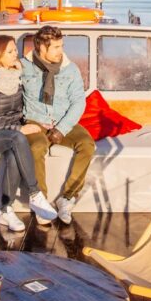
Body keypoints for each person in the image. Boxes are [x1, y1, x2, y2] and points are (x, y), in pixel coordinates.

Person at [0, 34, 56, 230]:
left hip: (10, 133)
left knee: (13, 153)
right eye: (10, 52)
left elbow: (25, 105)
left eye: (14, 50)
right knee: (18, 138)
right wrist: (19, 128)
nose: (15, 54)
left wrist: (38, 121)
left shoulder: (15, 75)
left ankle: (5, 211)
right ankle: (35, 194)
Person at [22, 25, 95, 224]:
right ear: (40, 48)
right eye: (55, 47)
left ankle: (67, 197)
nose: (60, 51)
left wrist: (61, 129)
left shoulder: (70, 69)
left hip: (62, 120)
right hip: (35, 120)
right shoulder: (23, 66)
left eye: (61, 45)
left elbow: (79, 101)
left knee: (87, 145)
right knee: (37, 147)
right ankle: (41, 201)